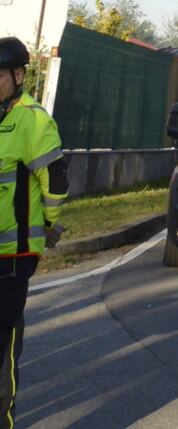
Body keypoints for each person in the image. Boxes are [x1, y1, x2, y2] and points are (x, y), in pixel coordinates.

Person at [0, 37, 68, 428]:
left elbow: (55, 182)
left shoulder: (32, 119)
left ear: (20, 75)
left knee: (2, 352)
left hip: (12, 257)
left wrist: (43, 227)